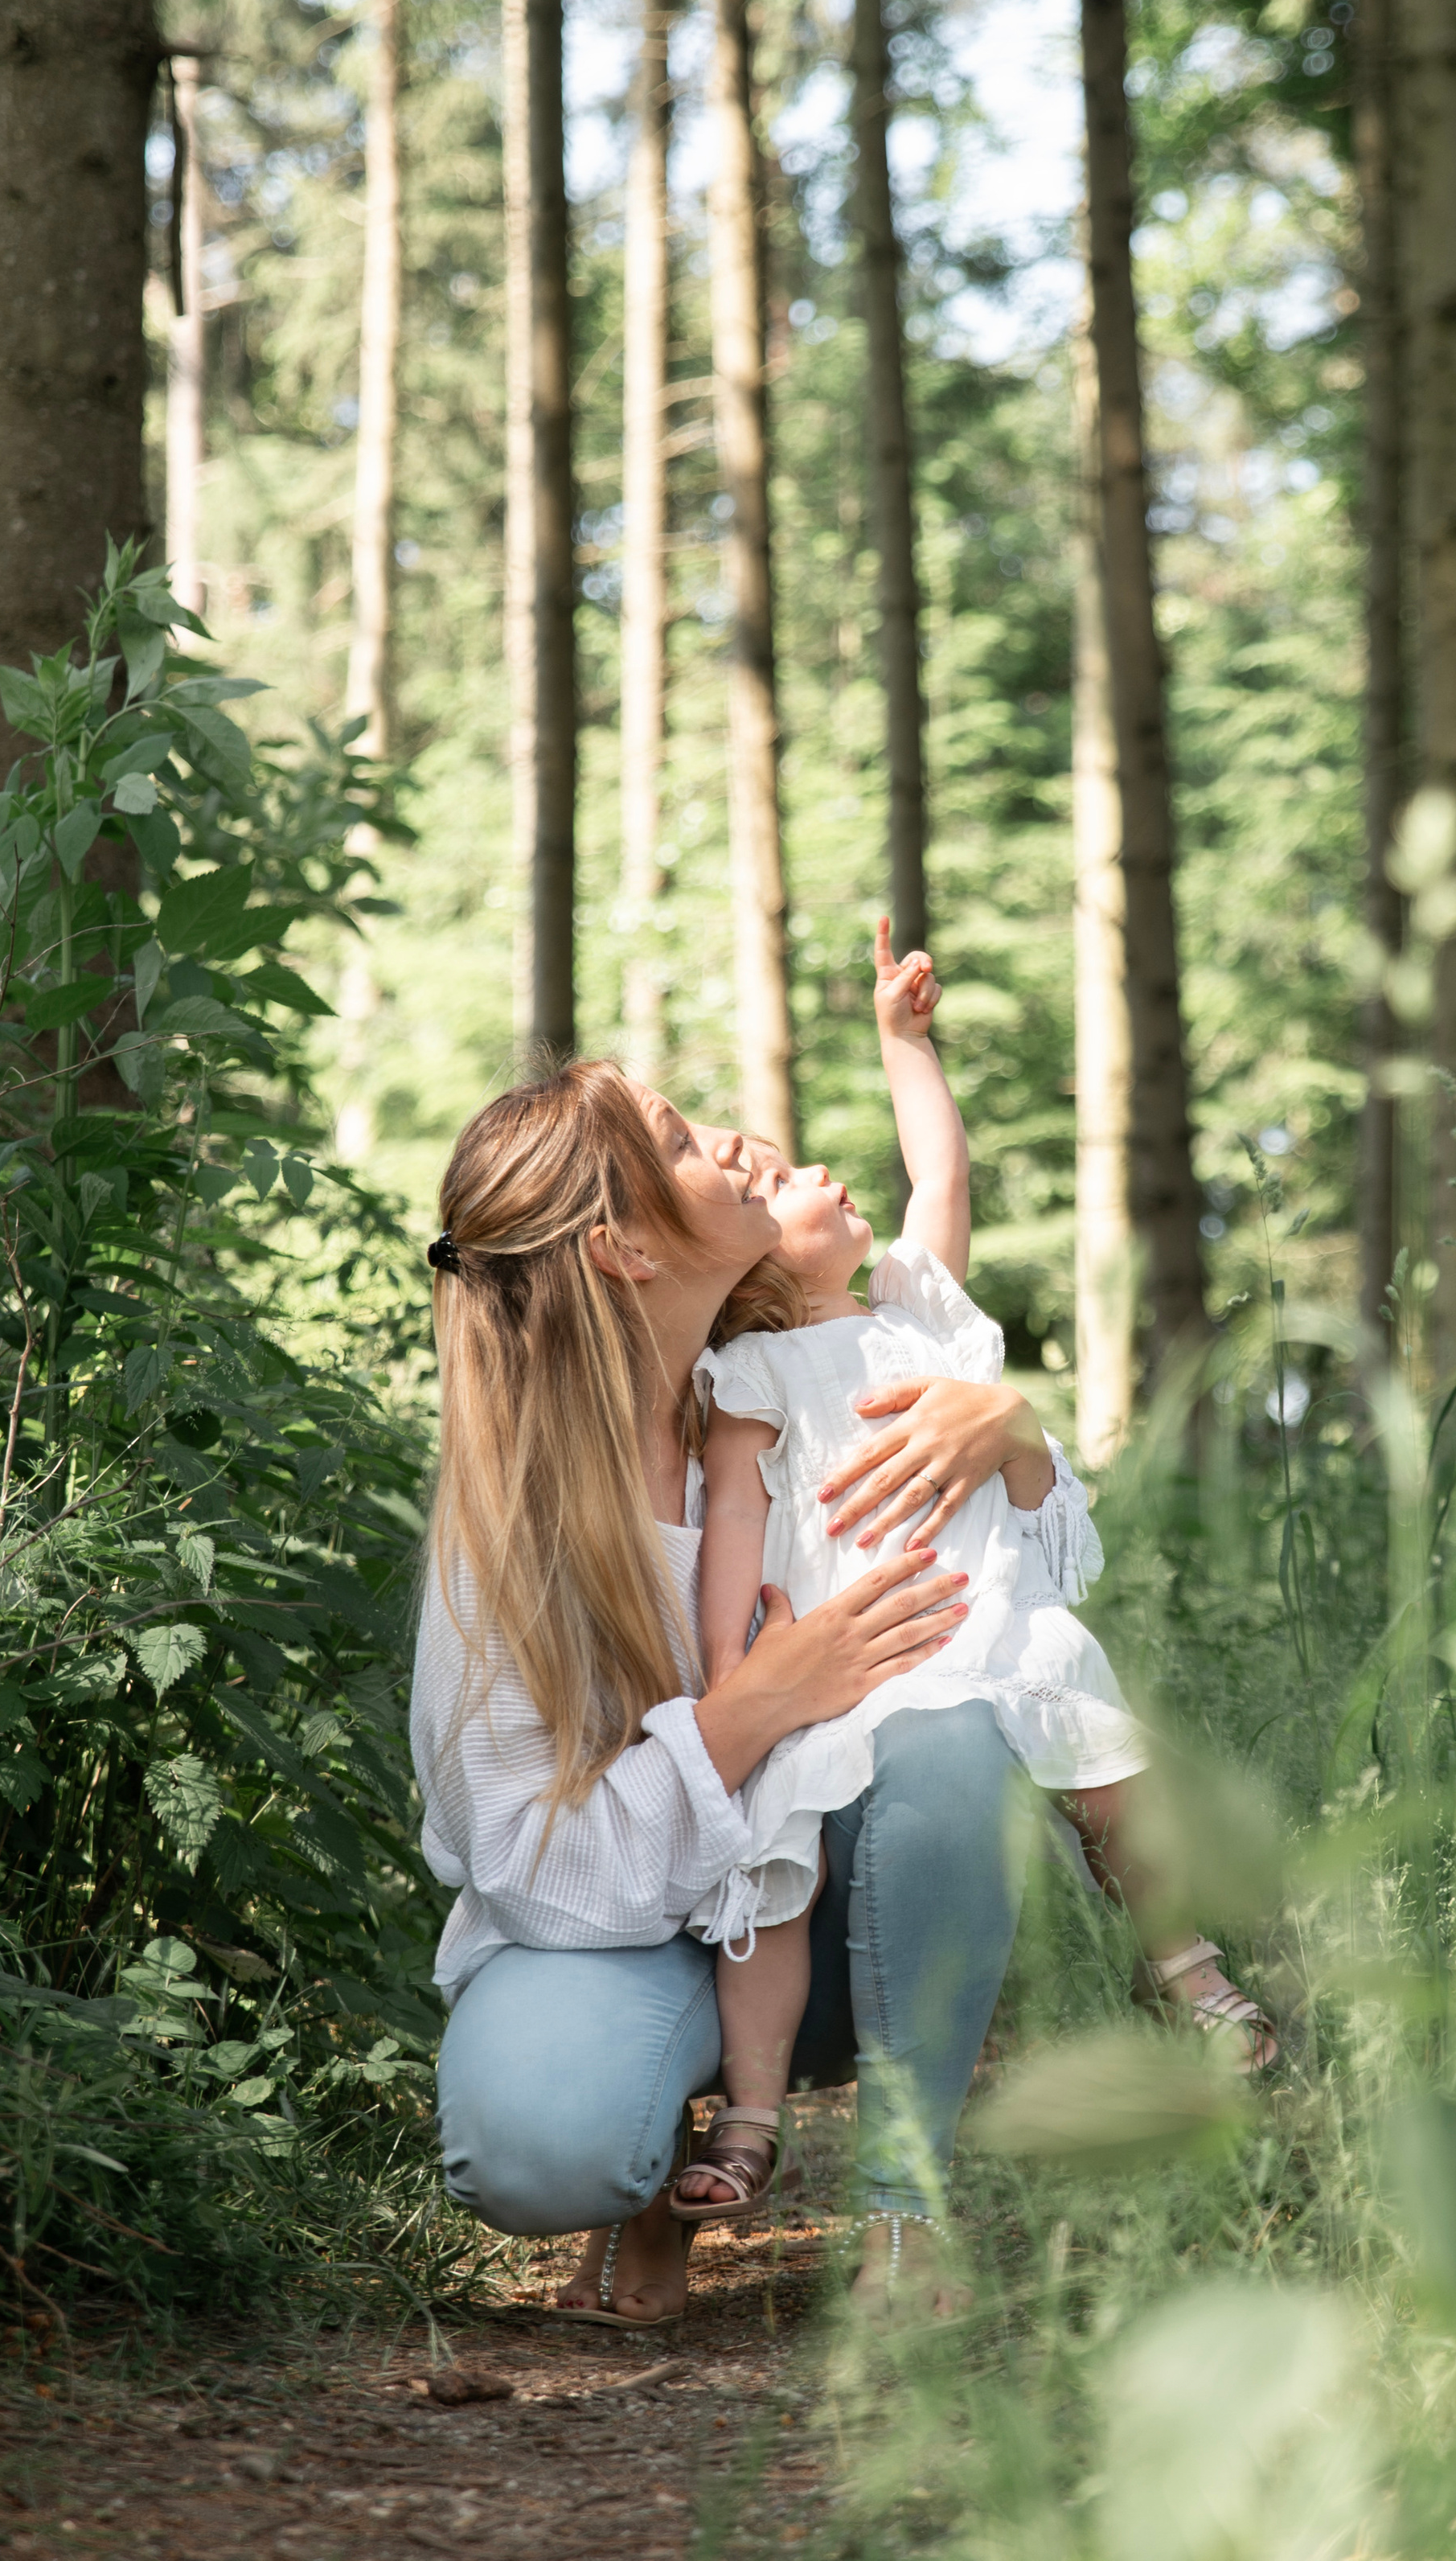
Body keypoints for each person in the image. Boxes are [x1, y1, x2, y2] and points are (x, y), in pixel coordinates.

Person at [410, 1058, 1102, 2317]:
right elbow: (524, 1861)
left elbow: (1039, 1597)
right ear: (621, 1249)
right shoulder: (507, 1528)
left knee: (954, 1748)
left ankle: (906, 2213)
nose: (735, 1140)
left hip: (823, 1902)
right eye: (681, 1139)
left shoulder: (809, 1367)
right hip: (606, 1944)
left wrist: (1010, 1433)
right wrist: (754, 1706)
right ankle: (649, 2171)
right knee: (540, 2138)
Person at [664, 926, 1278, 2226]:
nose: (820, 1172)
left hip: (992, 1623)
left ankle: (1188, 1968)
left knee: (1119, 1793)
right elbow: (731, 1524)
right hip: (848, 1660)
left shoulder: (920, 1316)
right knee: (773, 1885)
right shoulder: (755, 1375)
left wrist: (906, 1043)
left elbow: (938, 1165)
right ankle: (757, 2110)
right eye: (785, 1185)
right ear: (761, 1279)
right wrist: (734, 1676)